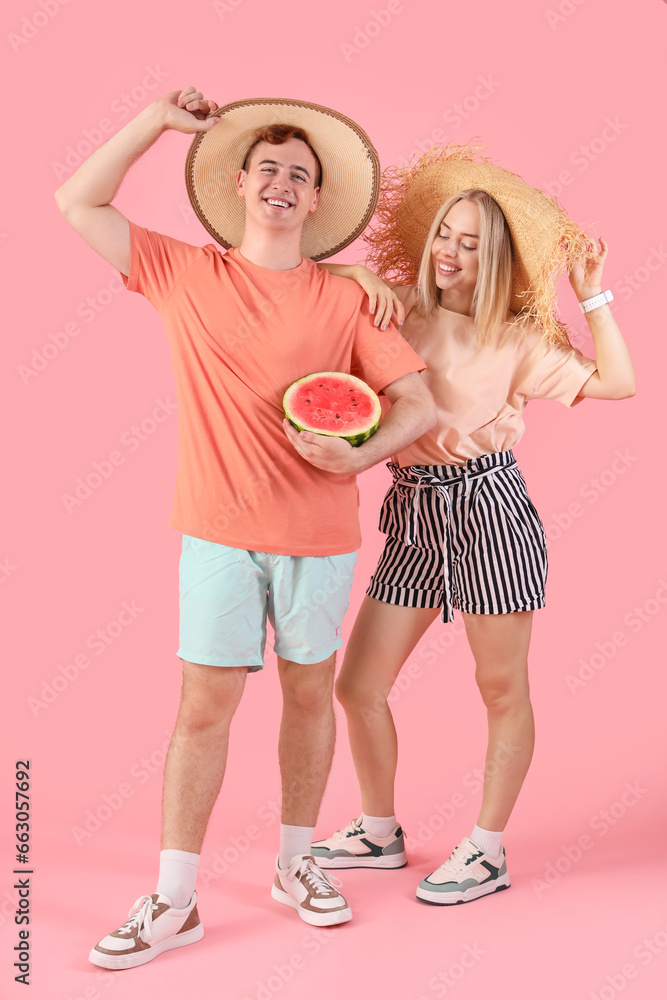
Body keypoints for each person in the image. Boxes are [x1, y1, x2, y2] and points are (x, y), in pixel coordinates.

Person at [55, 88, 435, 969]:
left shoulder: (349, 302)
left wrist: (358, 453)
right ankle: (175, 897)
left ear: (313, 203)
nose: (282, 182)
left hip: (320, 534)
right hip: (217, 534)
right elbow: (78, 201)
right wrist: (151, 121)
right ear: (239, 184)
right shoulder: (184, 272)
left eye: (299, 176)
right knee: (203, 710)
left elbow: (414, 401)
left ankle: (296, 865)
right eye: (268, 167)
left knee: (309, 697)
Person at [309, 145, 636, 904]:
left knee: (499, 689)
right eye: (446, 235)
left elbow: (617, 384)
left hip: (490, 510)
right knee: (357, 685)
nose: (452, 251)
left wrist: (592, 297)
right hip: (414, 509)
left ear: (497, 262)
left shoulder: (519, 341)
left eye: (472, 243)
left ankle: (486, 849)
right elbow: (305, 286)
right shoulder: (393, 306)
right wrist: (356, 274)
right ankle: (378, 829)